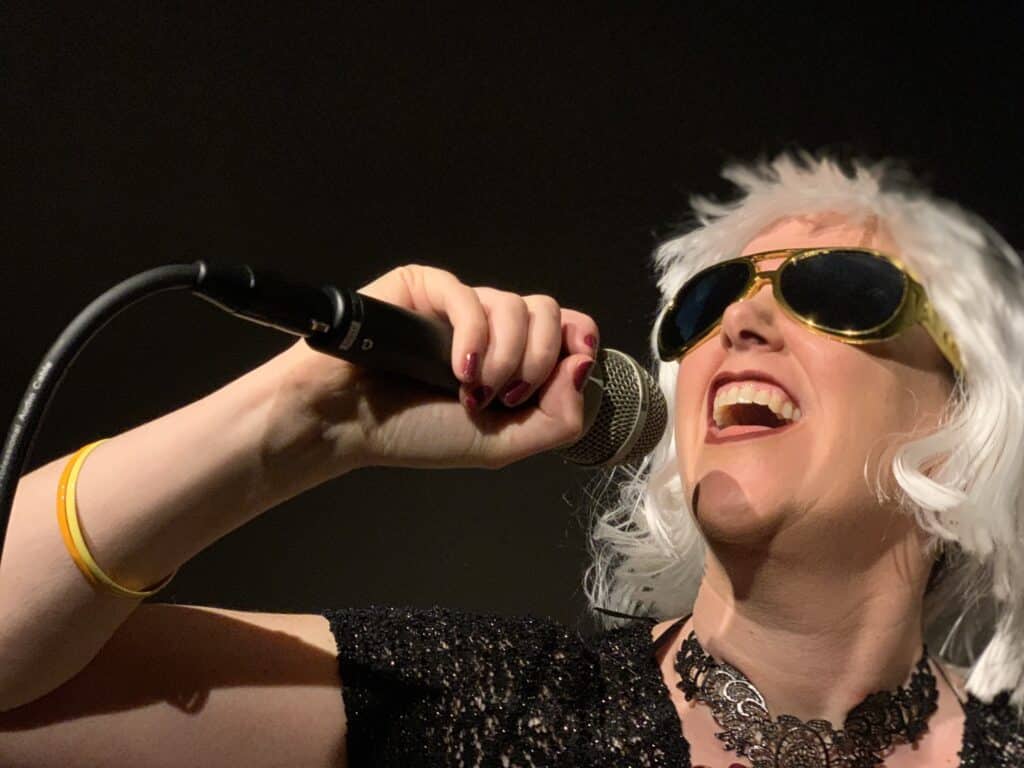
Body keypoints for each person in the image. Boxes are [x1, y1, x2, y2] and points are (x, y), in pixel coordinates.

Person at [0, 150, 1021, 767]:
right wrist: (297, 423)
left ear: (969, 407)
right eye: (709, 301)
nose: (741, 323)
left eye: (835, 291)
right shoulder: (494, 707)